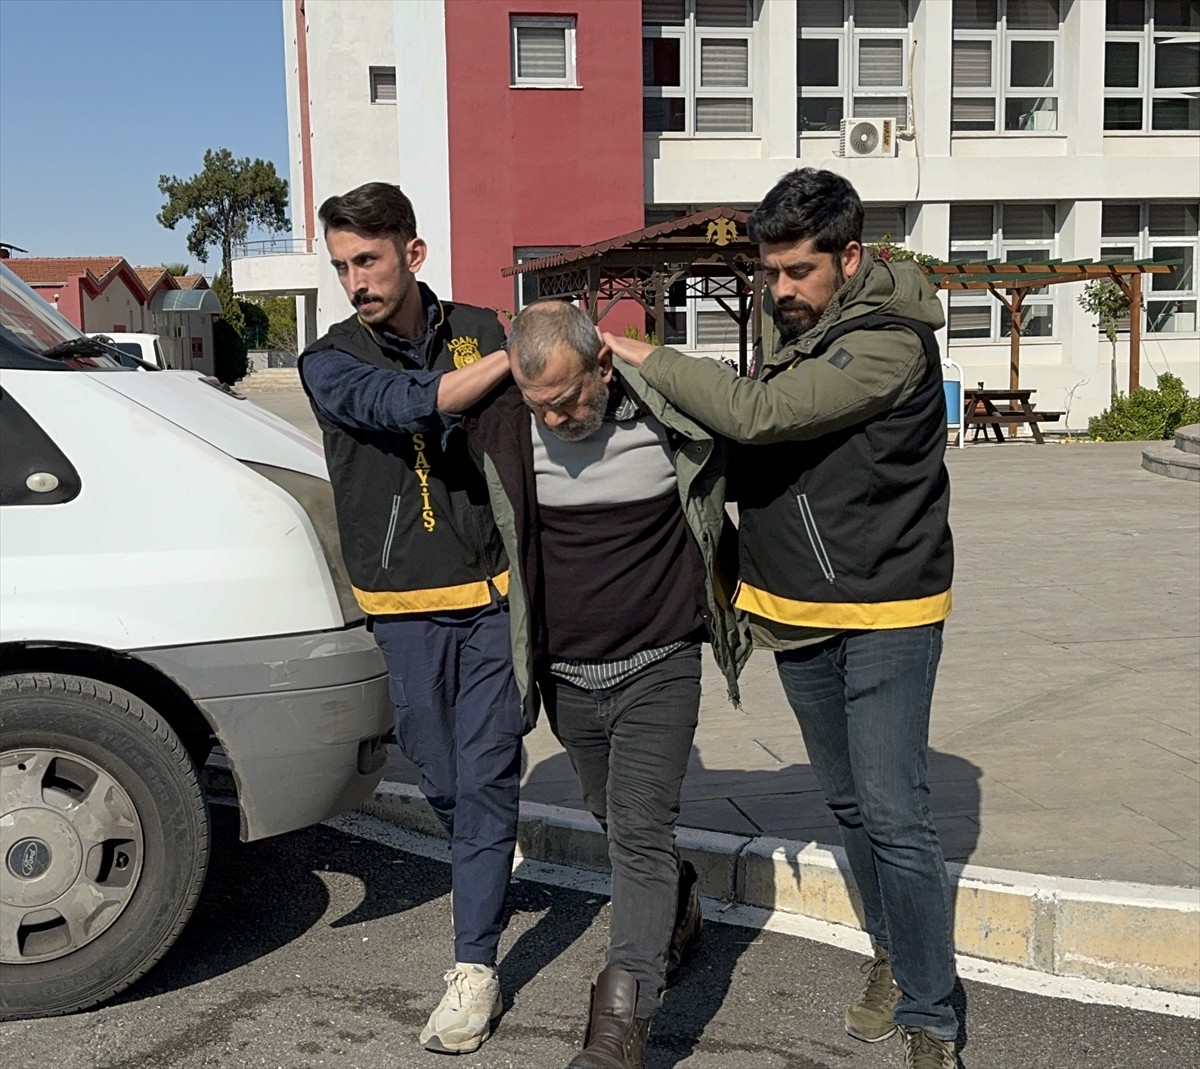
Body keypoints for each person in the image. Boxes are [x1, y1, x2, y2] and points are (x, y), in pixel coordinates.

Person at [604, 168, 959, 1069]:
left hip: (886, 607)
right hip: (793, 606)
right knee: (845, 802)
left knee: (895, 812)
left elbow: (761, 415)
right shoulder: (793, 318)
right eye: (770, 272)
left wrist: (648, 355)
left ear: (850, 256)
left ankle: (934, 1013)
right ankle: (889, 952)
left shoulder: (893, 343)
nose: (780, 290)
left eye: (798, 271)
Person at [466, 300, 751, 1069]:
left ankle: (616, 1033)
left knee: (638, 832)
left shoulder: (667, 418)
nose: (557, 418)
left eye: (569, 397)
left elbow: (744, 412)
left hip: (661, 663)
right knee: (611, 817)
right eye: (540, 406)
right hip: (567, 677)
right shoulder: (505, 432)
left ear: (603, 364)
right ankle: (680, 902)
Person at [298, 182, 524, 1056]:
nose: (354, 279)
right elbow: (403, 405)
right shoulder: (329, 358)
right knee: (440, 771)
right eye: (342, 264)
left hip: (494, 596)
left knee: (491, 768)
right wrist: (506, 363)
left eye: (368, 259)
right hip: (402, 606)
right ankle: (481, 847)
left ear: (412, 253)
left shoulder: (479, 326)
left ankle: (474, 965)